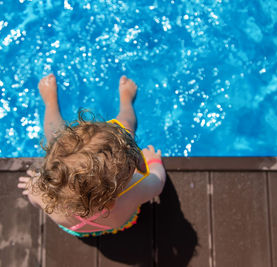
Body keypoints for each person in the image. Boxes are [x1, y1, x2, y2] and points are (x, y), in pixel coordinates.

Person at [18, 74, 166, 237]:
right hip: (114, 223)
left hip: (75, 227)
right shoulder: (133, 191)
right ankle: (126, 101)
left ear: (51, 179)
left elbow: (33, 198)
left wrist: (35, 183)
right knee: (125, 126)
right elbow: (157, 182)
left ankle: (50, 102)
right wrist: (153, 162)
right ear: (111, 202)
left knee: (55, 136)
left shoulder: (43, 195)